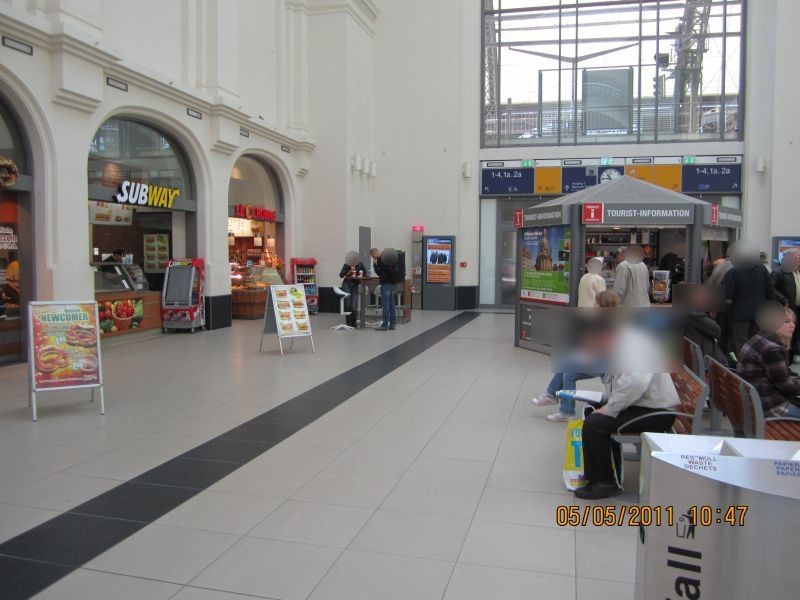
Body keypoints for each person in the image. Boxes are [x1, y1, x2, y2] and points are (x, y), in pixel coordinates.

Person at [576, 321, 679, 500]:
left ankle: (604, 483)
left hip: (657, 413)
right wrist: (607, 404)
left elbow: (635, 383)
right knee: (594, 413)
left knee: (594, 424)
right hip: (648, 406)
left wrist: (610, 409)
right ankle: (600, 474)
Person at [532, 291, 621, 421]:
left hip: (607, 365)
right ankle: (566, 411)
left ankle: (551, 396)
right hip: (600, 361)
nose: (594, 305)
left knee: (566, 361)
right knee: (568, 373)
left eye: (597, 303)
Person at [737, 302, 800, 419]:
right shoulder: (771, 349)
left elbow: (782, 379)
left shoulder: (760, 338)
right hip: (767, 408)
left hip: (753, 401)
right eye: (786, 322)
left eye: (793, 322)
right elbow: (787, 387)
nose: (793, 326)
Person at [723, 240, 775, 357]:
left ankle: (743, 366)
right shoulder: (762, 269)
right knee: (757, 340)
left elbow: (728, 294)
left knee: (741, 341)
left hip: (739, 313)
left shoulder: (732, 272)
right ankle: (756, 364)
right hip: (760, 312)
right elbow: (770, 289)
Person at [770, 252, 800, 361]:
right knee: (785, 332)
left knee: (795, 331)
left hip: (797, 307)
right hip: (787, 307)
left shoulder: (796, 272)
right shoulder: (778, 272)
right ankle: (786, 358)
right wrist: (783, 299)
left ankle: (794, 354)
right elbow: (771, 288)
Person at [374, 247, 400, 331]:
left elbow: (379, 272)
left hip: (385, 284)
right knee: (392, 305)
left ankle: (384, 325)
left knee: (386, 305)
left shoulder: (381, 259)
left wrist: (375, 264)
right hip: (393, 284)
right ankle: (393, 324)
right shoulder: (392, 258)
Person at [339, 250, 366, 328]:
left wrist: (360, 275)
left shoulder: (360, 264)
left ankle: (353, 323)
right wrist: (349, 269)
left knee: (353, 306)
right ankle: (348, 324)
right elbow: (341, 275)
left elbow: (366, 273)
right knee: (347, 304)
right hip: (346, 284)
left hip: (355, 285)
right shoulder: (346, 264)